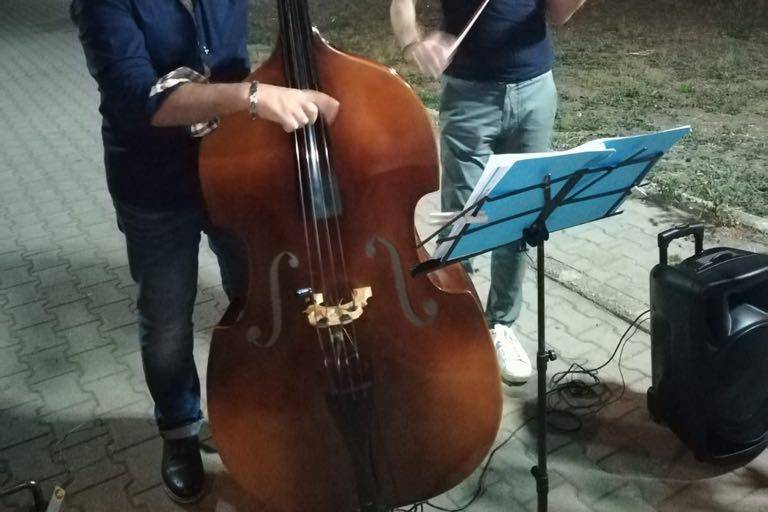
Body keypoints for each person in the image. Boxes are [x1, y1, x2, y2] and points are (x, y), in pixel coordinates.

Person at [71, 0, 339, 503]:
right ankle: (180, 434)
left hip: (235, 167)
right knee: (168, 320)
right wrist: (253, 97)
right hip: (154, 185)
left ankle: (262, 407)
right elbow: (139, 99)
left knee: (260, 298)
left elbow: (236, 64)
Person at [391, 0, 585, 386]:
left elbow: (561, 13)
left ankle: (501, 325)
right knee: (464, 220)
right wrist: (413, 43)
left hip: (534, 90)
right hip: (469, 96)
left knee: (519, 217)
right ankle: (455, 322)